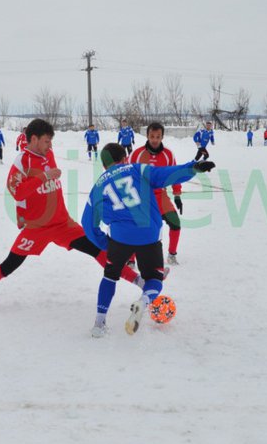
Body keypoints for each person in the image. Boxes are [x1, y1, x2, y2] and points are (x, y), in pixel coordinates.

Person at [0, 118, 150, 312]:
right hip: (37, 228)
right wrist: (42, 179)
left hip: (63, 224)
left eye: (50, 141)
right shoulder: (22, 162)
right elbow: (16, 191)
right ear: (33, 139)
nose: (49, 145)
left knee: (98, 250)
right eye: (46, 141)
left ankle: (141, 282)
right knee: (9, 265)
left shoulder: (49, 153)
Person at [83, 143, 215, 337]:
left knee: (109, 276)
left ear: (104, 165)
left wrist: (105, 243)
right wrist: (192, 168)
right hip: (148, 236)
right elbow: (165, 175)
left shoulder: (98, 187)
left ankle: (99, 323)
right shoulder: (137, 168)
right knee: (154, 278)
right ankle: (143, 302)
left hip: (120, 239)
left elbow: (87, 224)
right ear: (124, 158)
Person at [129, 122, 184, 266]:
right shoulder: (137, 153)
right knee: (136, 228)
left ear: (162, 137)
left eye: (158, 137)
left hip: (161, 196)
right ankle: (131, 259)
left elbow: (175, 175)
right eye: (152, 136)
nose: (154, 139)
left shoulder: (168, 155)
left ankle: (172, 255)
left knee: (175, 223)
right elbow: (127, 174)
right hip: (142, 197)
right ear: (147, 136)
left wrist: (177, 195)